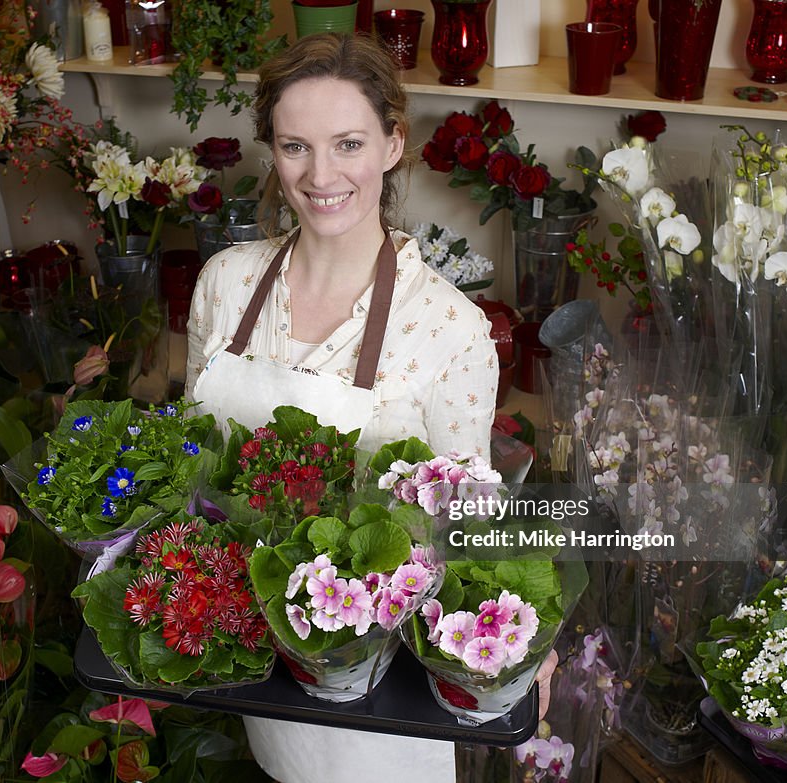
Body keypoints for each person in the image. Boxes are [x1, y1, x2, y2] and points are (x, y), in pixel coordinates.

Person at [186, 32, 558, 783]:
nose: (321, 176)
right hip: (251, 671)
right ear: (272, 148)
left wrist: (516, 647)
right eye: (295, 146)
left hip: (385, 708)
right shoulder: (226, 285)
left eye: (348, 143)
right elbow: (193, 468)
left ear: (393, 144)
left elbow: (464, 523)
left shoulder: (449, 329)